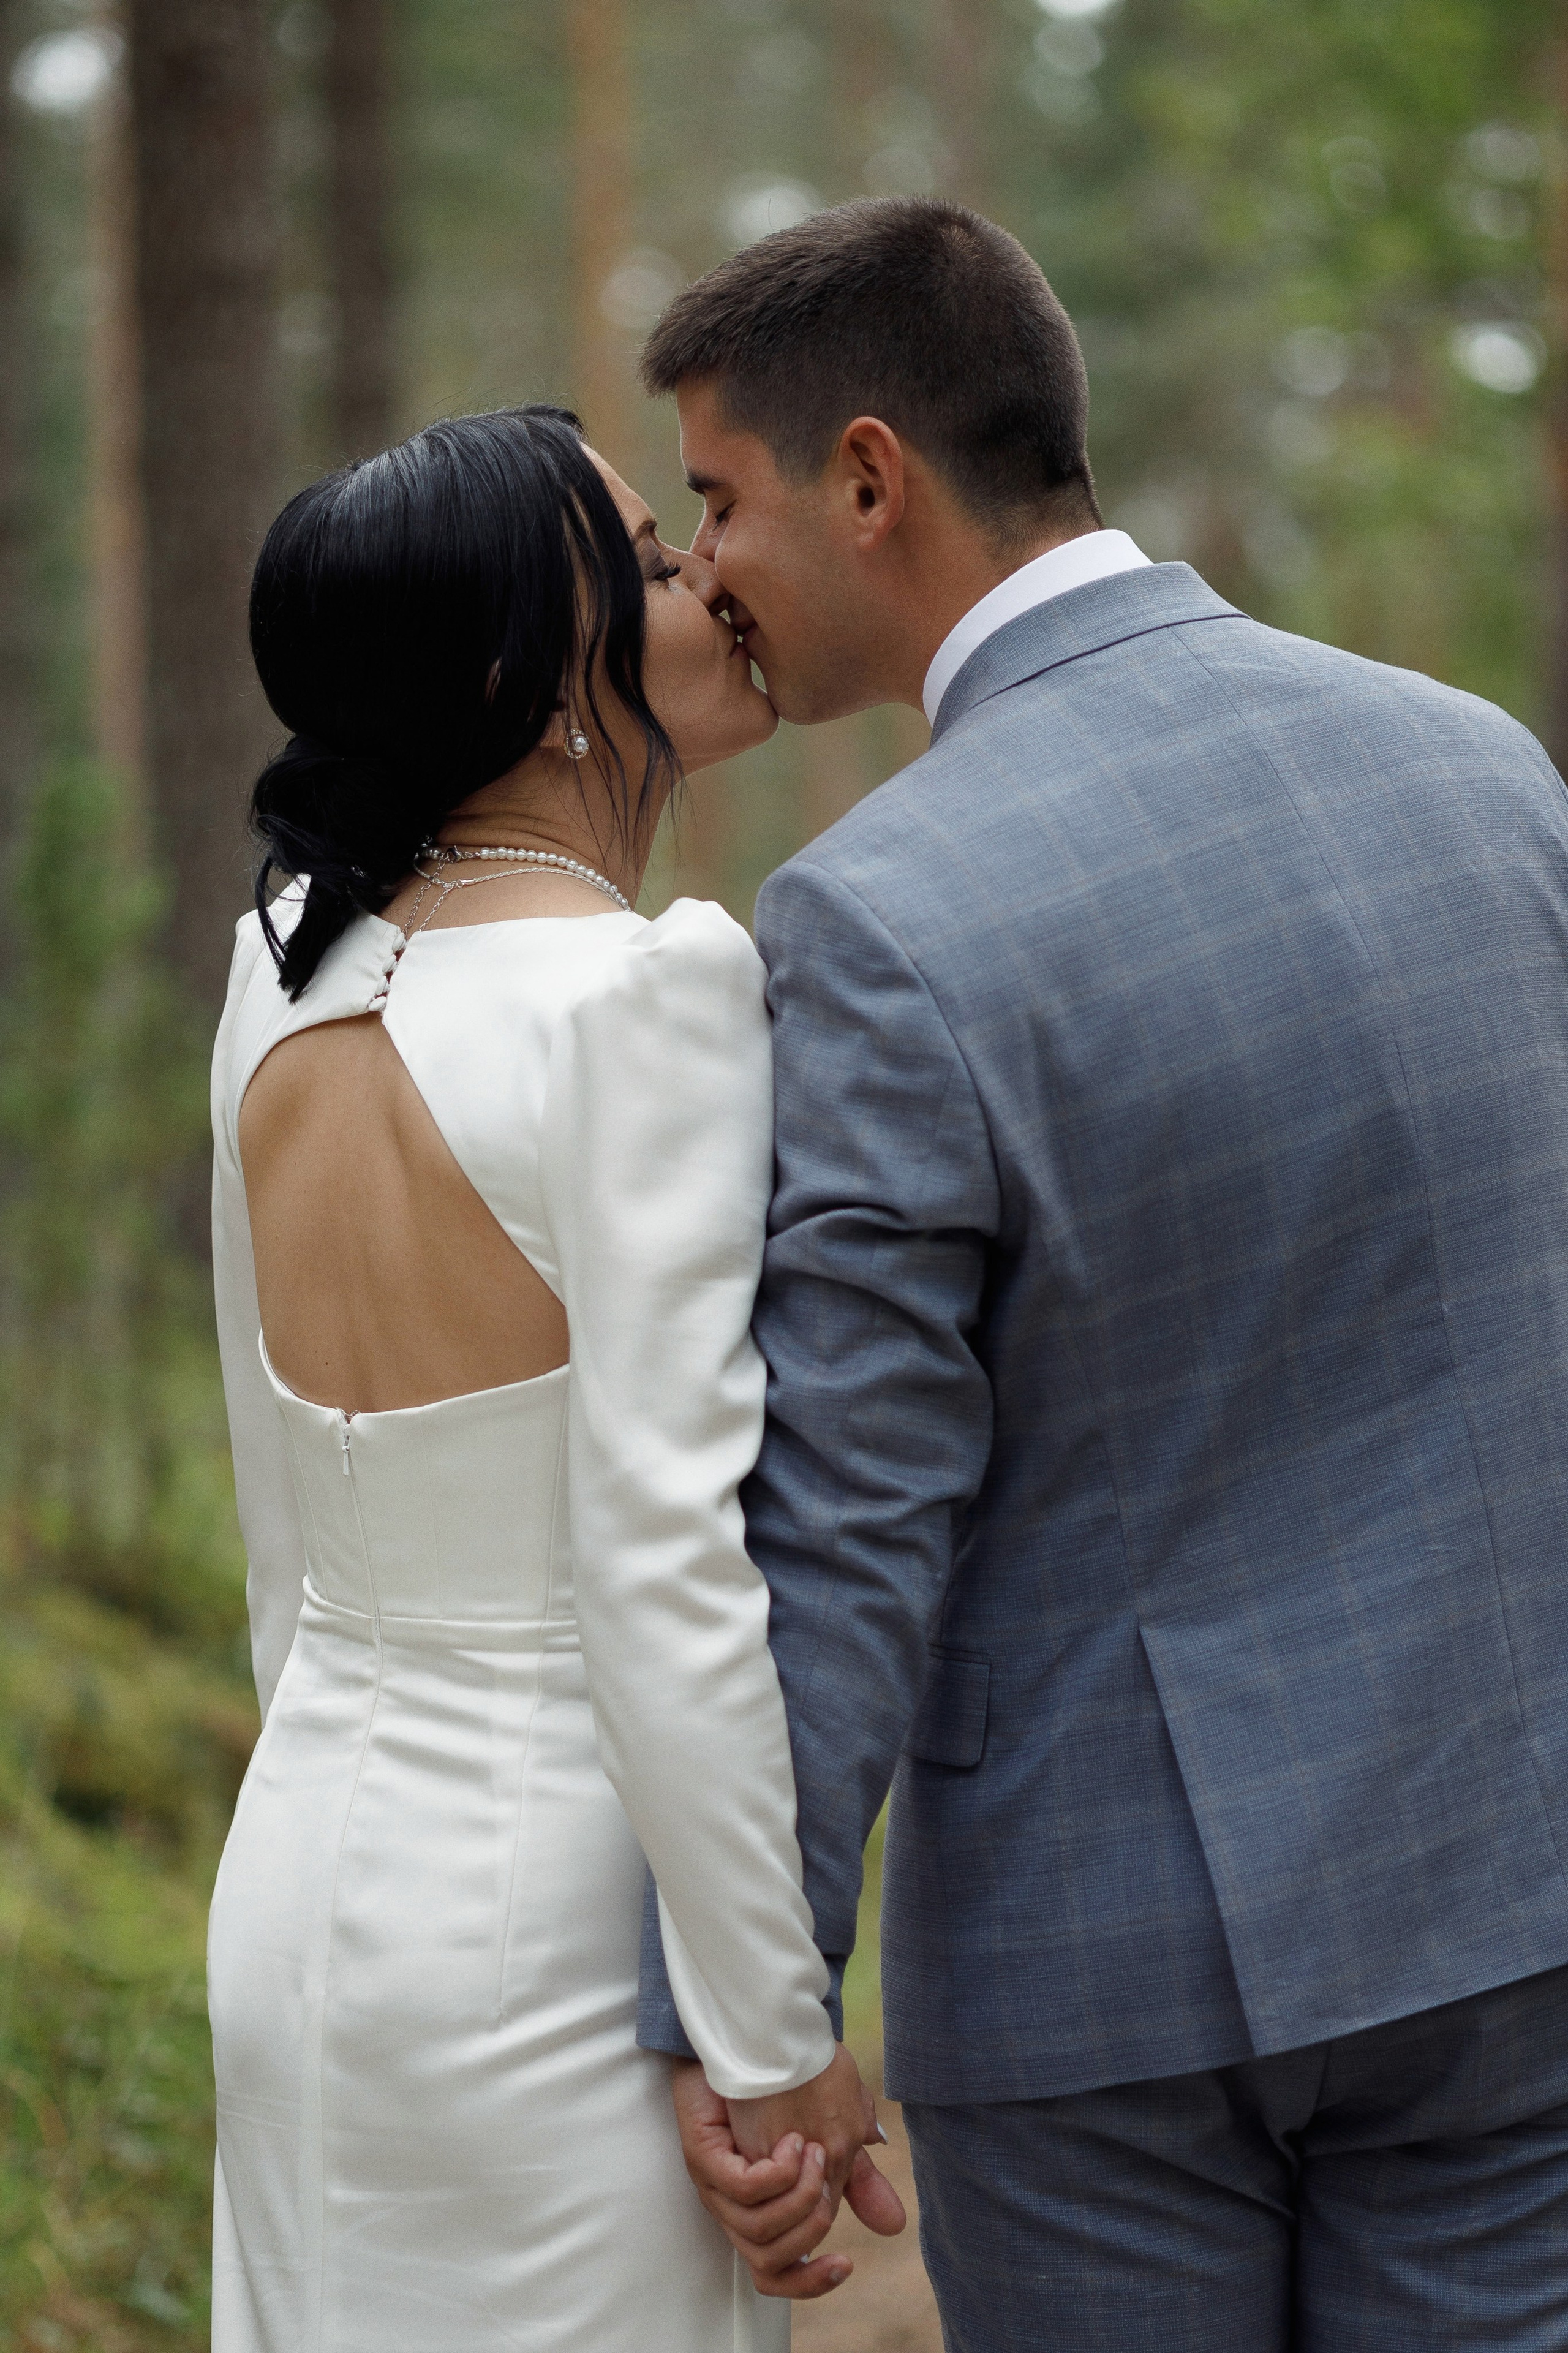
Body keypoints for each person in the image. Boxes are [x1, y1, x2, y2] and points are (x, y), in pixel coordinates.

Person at [639, 197, 1568, 2349]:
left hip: (1114, 1975)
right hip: (1515, 1893)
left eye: (717, 500)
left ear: (868, 477)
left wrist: (758, 2016)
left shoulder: (879, 919)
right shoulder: (1492, 772)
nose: (704, 571)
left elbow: (847, 1520)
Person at [205, 404, 900, 2353]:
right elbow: (667, 1574)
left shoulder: (280, 977)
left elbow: (285, 1531)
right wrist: (769, 2040)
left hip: (299, 1883)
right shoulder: (648, 991)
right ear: (530, 667)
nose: (708, 579)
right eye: (653, 558)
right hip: (550, 1939)